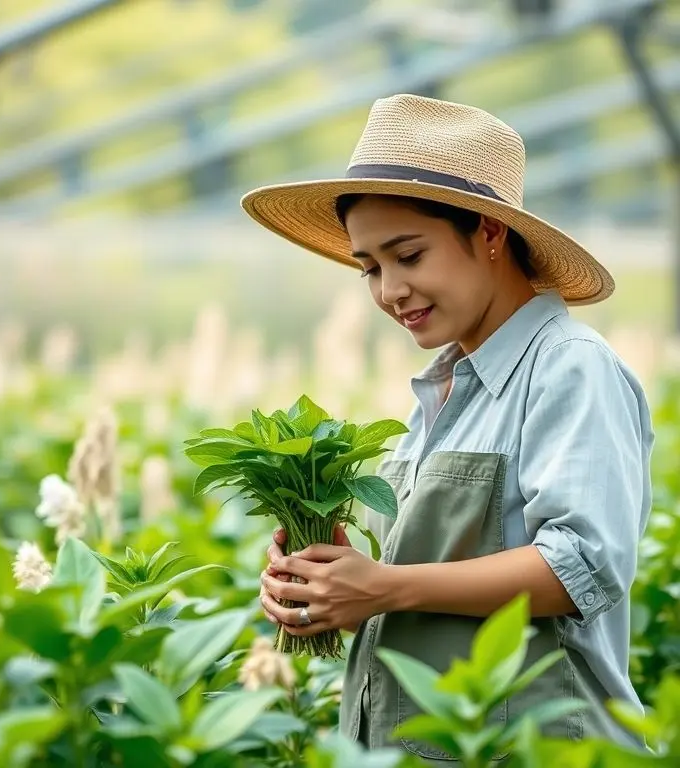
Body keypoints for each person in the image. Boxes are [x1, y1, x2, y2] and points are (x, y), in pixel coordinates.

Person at [241, 94, 654, 761]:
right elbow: (430, 569)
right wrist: (329, 577)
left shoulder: (569, 370)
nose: (388, 291)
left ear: (490, 233)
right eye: (370, 267)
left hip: (535, 747)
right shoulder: (442, 387)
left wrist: (387, 587)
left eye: (408, 255)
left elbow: (582, 567)